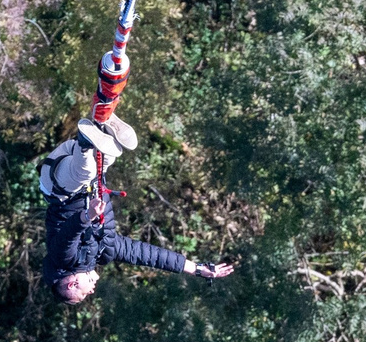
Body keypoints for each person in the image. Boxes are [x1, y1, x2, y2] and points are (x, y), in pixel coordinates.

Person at [39, 113, 234, 303]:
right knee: (109, 156)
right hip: (88, 180)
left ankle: (84, 142)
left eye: (85, 294)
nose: (91, 291)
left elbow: (67, 236)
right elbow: (147, 255)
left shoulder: (61, 261)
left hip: (59, 184)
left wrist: (87, 216)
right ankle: (105, 121)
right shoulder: (104, 251)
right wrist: (196, 269)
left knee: (87, 169)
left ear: (72, 285)